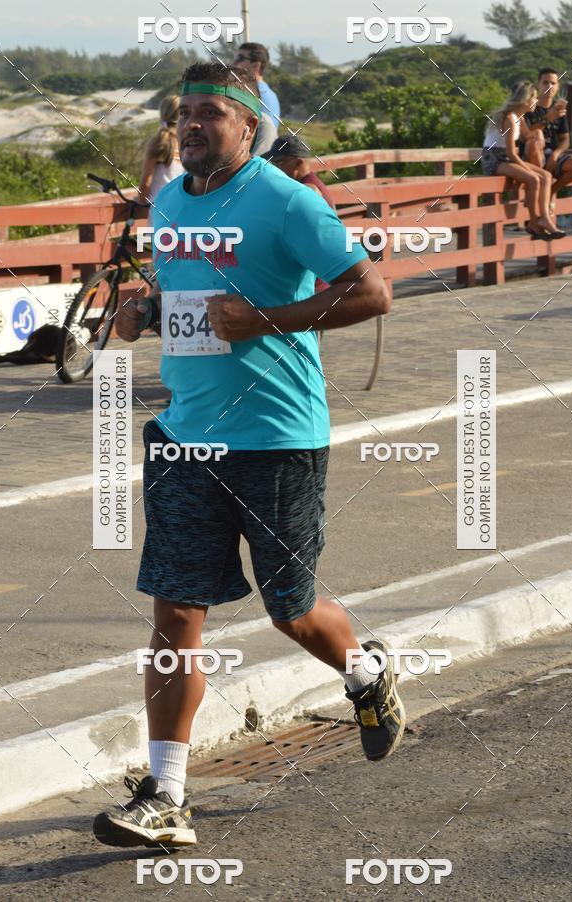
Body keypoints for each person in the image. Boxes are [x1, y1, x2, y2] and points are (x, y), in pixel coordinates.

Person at [93, 61, 401, 850]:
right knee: (175, 613)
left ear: (247, 127)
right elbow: (190, 300)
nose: (193, 125)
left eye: (210, 114)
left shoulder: (286, 199)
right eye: (185, 113)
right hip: (185, 436)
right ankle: (166, 793)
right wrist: (144, 308)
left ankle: (365, 671)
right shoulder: (167, 202)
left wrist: (264, 319)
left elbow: (369, 292)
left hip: (277, 436)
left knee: (290, 610)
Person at [482, 80, 564, 239]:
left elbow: (526, 138)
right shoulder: (511, 118)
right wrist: (527, 169)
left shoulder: (519, 118)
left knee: (546, 176)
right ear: (525, 100)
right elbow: (512, 153)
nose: (536, 101)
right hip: (494, 159)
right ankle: (534, 222)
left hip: (506, 158)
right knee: (534, 179)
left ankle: (545, 219)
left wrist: (539, 135)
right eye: (533, 98)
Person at [263, 134, 336, 292]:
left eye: (279, 162)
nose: (273, 167)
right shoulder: (307, 185)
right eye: (271, 162)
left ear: (298, 163)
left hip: (313, 284)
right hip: (316, 277)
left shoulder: (309, 190)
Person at [522, 68, 572, 207]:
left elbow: (565, 139)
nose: (549, 86)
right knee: (535, 142)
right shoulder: (529, 106)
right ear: (538, 85)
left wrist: (556, 154)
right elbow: (525, 135)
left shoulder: (558, 108)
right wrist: (547, 119)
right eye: (545, 82)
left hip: (551, 155)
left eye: (553, 83)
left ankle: (550, 191)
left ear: (557, 86)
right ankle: (540, 206)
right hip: (530, 156)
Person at [137, 95, 184, 219]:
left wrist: (140, 203)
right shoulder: (187, 142)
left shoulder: (159, 141)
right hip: (182, 208)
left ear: (162, 113)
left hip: (160, 210)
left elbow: (146, 182)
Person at [234, 42, 281, 127]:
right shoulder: (272, 94)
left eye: (240, 58)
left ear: (256, 65)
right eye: (235, 57)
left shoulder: (248, 94)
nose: (234, 62)